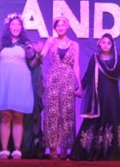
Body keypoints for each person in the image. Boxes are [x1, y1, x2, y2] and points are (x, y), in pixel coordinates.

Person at [70, 33, 120, 161]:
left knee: (113, 118)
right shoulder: (94, 58)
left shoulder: (116, 60)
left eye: (108, 43)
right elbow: (88, 75)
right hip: (97, 97)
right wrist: (80, 88)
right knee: (94, 120)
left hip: (112, 97)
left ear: (112, 45)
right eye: (103, 42)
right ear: (99, 43)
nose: (105, 45)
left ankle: (113, 153)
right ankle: (91, 152)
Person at [0, 13, 40, 159]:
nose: (15, 27)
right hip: (4, 81)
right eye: (13, 24)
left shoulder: (26, 44)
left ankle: (17, 149)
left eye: (18, 24)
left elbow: (32, 63)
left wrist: (38, 54)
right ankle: (4, 150)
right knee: (5, 116)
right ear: (8, 27)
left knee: (18, 116)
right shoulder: (0, 44)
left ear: (22, 27)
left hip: (20, 81)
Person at [39, 15, 82, 160]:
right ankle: (52, 148)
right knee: (52, 112)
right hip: (53, 79)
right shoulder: (51, 41)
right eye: (58, 25)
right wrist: (38, 51)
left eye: (63, 25)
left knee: (67, 112)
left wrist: (80, 86)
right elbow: (41, 57)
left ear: (67, 26)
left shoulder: (74, 45)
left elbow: (76, 66)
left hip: (68, 80)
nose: (61, 27)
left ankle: (65, 147)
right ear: (55, 28)